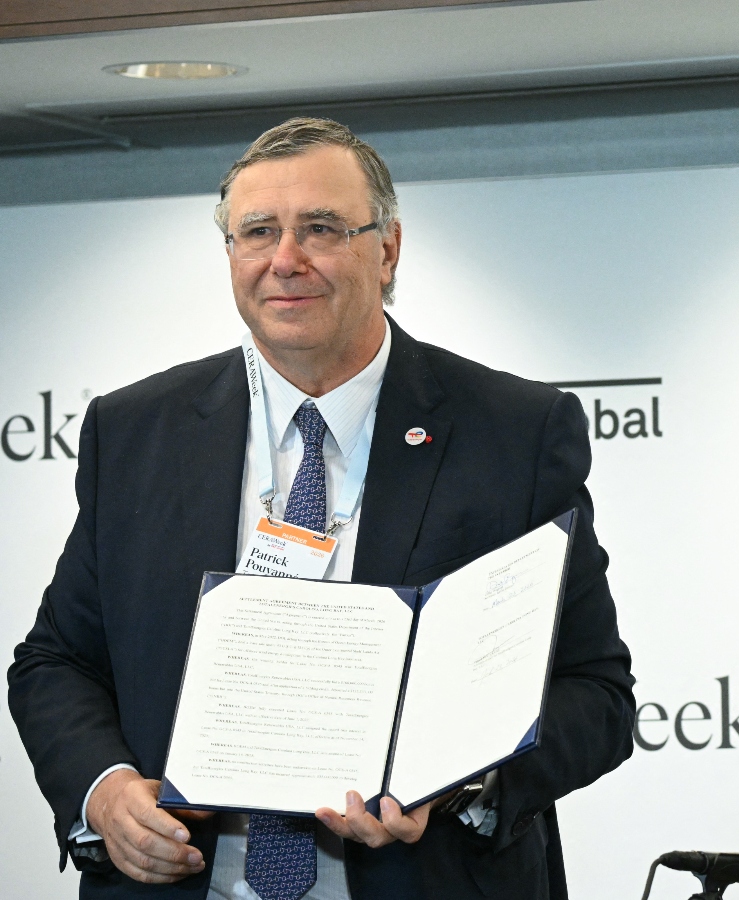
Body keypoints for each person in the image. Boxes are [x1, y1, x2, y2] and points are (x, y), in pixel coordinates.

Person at [9, 117, 635, 900]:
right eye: (257, 231)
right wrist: (103, 791)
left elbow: (594, 691)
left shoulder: (514, 433)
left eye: (321, 229)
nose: (285, 260)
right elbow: (56, 662)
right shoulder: (133, 431)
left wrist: (459, 786)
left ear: (388, 249)